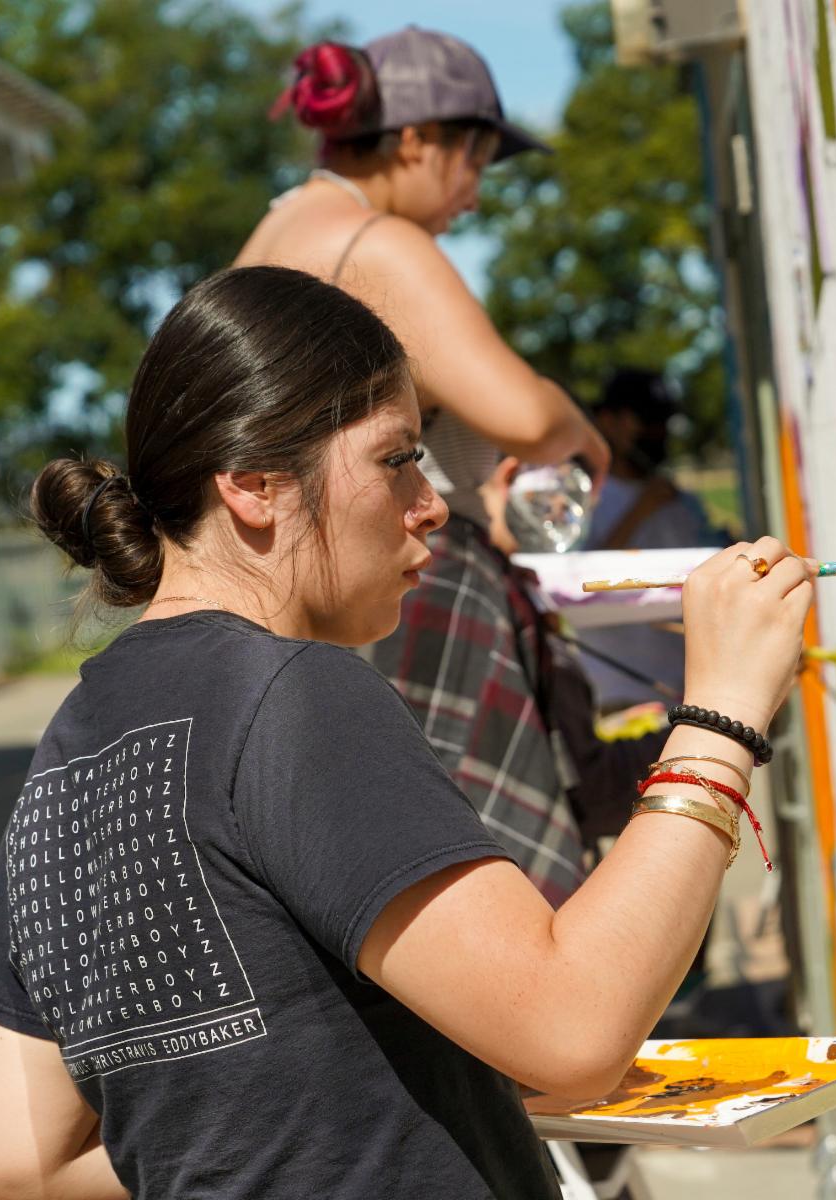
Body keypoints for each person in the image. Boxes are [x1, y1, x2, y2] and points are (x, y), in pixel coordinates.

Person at [0, 266, 813, 1198]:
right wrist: (723, 712)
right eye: (395, 458)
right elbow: (576, 1029)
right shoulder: (293, 696)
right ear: (255, 486)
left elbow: (20, 1162)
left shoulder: (70, 749)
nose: (430, 505)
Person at [235, 27, 613, 904]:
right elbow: (523, 416)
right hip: (406, 601)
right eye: (475, 159)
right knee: (489, 894)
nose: (474, 196)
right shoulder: (371, 244)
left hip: (292, 605)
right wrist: (574, 420)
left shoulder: (275, 229)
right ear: (416, 140)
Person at [580, 368, 731, 708]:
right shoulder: (582, 501)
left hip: (686, 695)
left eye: (662, 421)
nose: (657, 432)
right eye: (645, 421)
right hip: (615, 697)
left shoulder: (681, 502)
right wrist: (640, 509)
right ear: (608, 420)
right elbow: (577, 583)